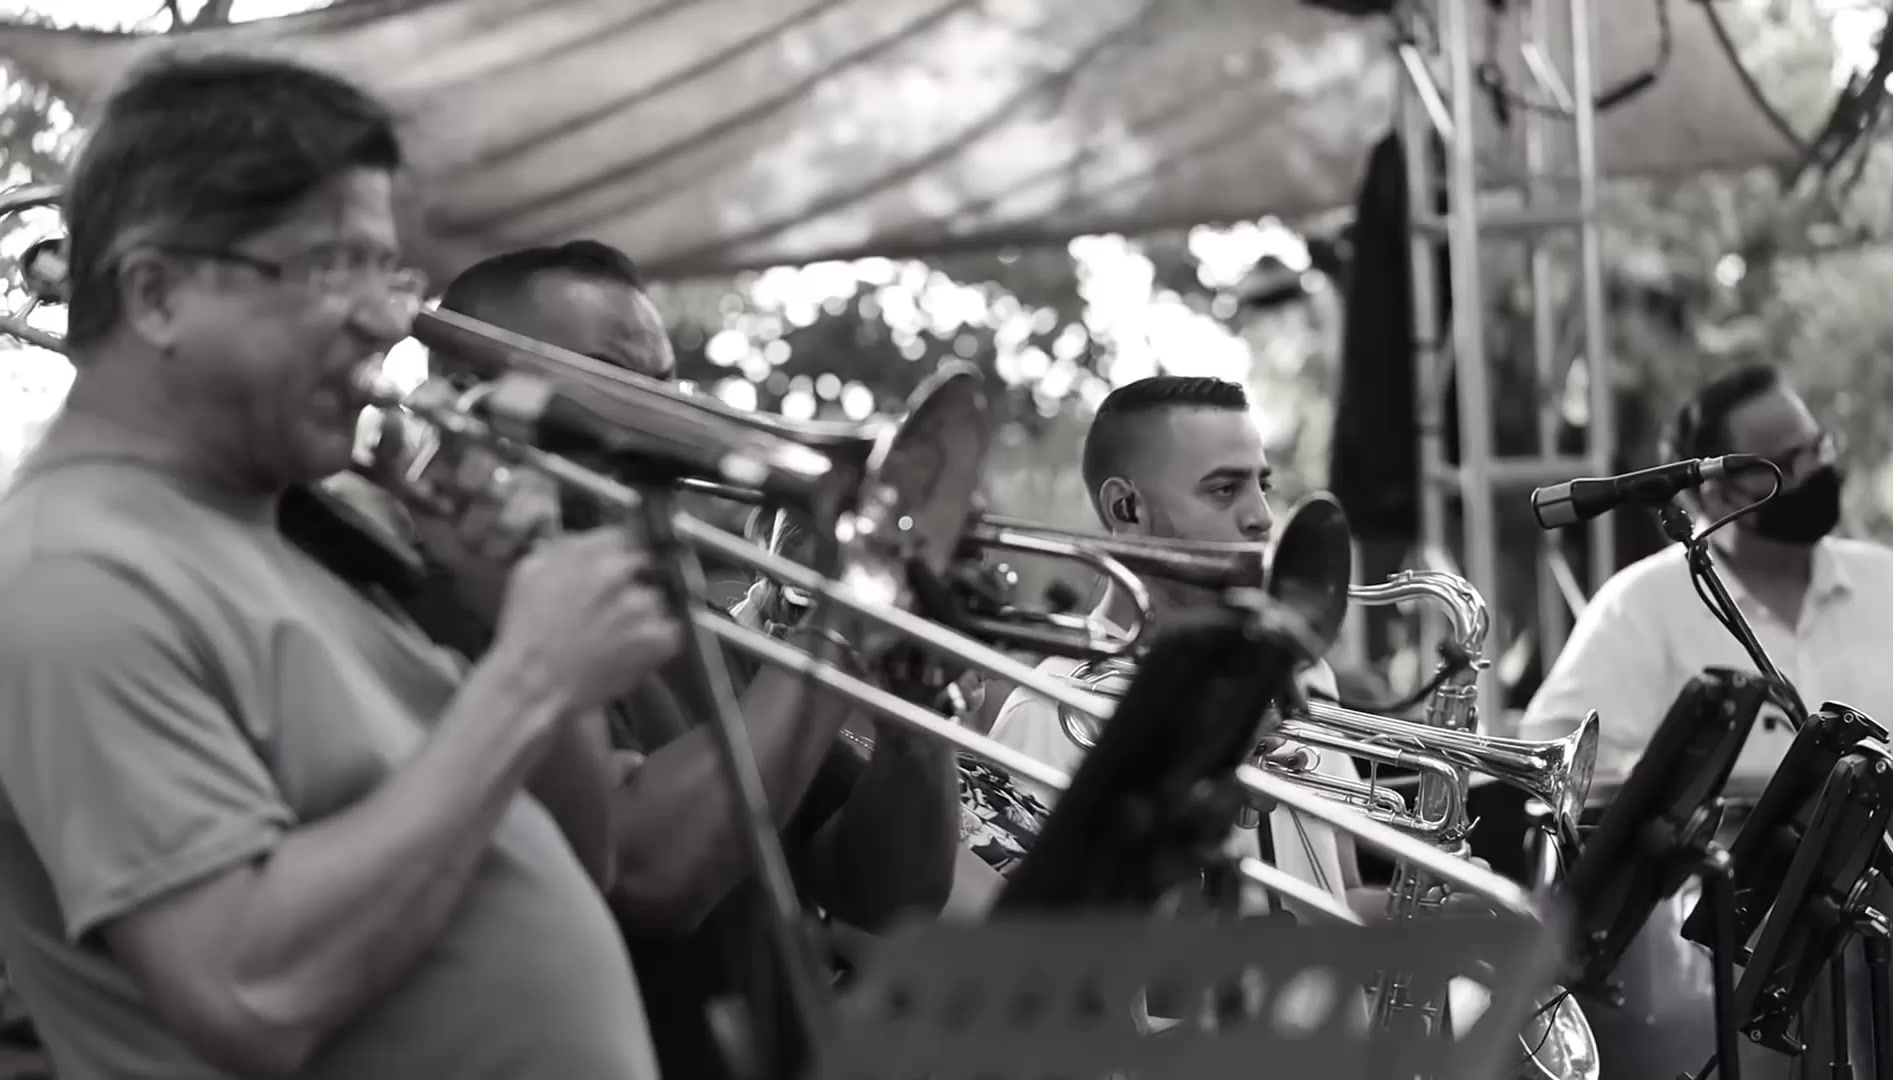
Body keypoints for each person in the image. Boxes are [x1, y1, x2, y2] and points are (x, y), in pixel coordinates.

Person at [0, 54, 676, 1079]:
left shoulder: (281, 534)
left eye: (388, 273)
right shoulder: (71, 573)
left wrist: (517, 613)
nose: (388, 320)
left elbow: (583, 858)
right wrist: (529, 678)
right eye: (332, 268)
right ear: (157, 294)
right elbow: (245, 992)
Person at [397, 242, 958, 1079]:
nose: (665, 420)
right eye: (615, 379)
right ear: (464, 388)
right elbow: (650, 875)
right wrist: (839, 623)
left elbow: (887, 892)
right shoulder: (439, 600)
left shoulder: (685, 613)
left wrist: (918, 706)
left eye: (667, 386)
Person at [1522, 364, 1893, 1080]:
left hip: (1890, 927)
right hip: (1717, 944)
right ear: (1714, 491)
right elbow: (1554, 762)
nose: (1817, 469)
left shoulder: (1892, 585)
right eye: (1787, 461)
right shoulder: (1641, 606)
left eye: (1818, 447)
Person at [963, 375, 1373, 919]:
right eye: (1224, 490)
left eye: (1262, 485)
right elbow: (1055, 946)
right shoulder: (1049, 711)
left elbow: (1340, 894)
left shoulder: (1306, 674)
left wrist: (1426, 911)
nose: (1263, 517)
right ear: (1126, 509)